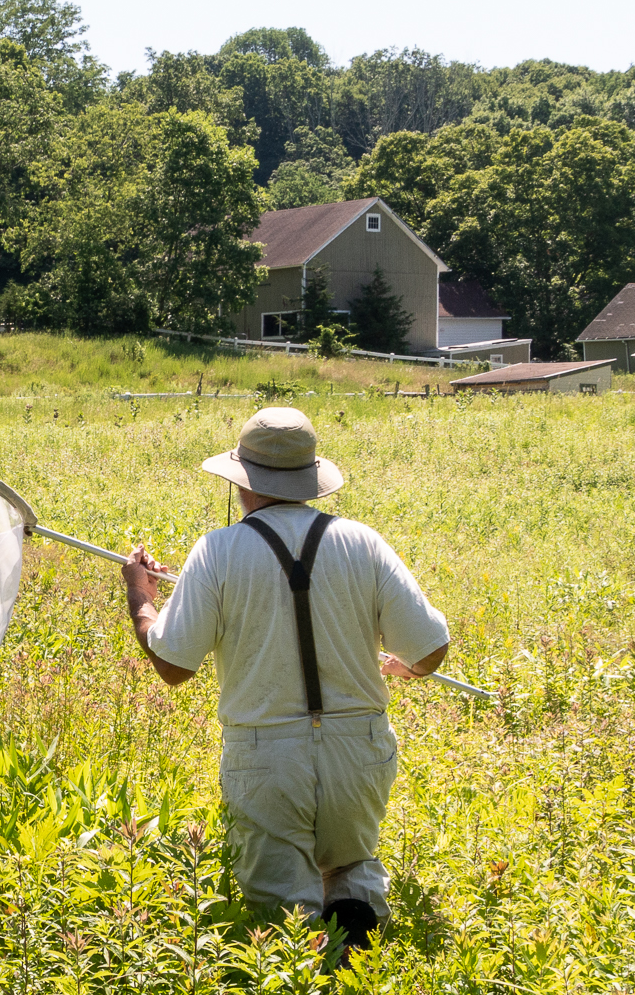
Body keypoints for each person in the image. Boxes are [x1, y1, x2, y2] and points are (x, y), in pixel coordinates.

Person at [121, 406, 449, 951]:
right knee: (352, 867)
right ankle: (357, 988)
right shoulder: (363, 542)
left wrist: (140, 596)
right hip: (359, 750)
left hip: (266, 753)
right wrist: (408, 669)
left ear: (241, 482)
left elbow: (173, 666)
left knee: (285, 919)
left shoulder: (217, 551)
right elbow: (432, 648)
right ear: (308, 479)